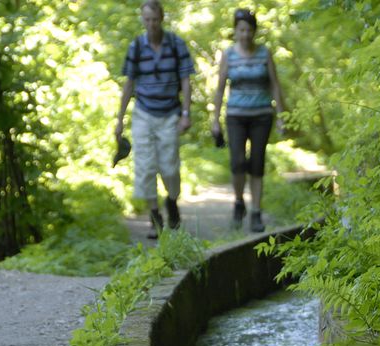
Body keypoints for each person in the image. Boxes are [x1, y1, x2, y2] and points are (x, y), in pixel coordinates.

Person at [115, 0, 195, 238]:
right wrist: (119, 119)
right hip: (143, 113)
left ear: (162, 18)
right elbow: (129, 84)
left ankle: (172, 201)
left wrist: (186, 114)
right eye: (147, 20)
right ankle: (155, 217)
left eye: (155, 20)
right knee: (145, 167)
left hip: (170, 113)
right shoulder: (136, 47)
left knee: (169, 167)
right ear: (143, 20)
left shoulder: (176, 44)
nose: (151, 24)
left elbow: (186, 81)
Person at [211, 7, 286, 233]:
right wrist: (214, 119)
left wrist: (282, 117)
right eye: (241, 30)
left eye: (249, 30)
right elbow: (220, 88)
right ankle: (238, 202)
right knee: (237, 163)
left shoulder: (265, 53)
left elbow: (275, 85)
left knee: (257, 163)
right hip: (235, 116)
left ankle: (255, 212)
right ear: (235, 31)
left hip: (262, 115)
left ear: (254, 31)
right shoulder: (229, 55)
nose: (245, 34)